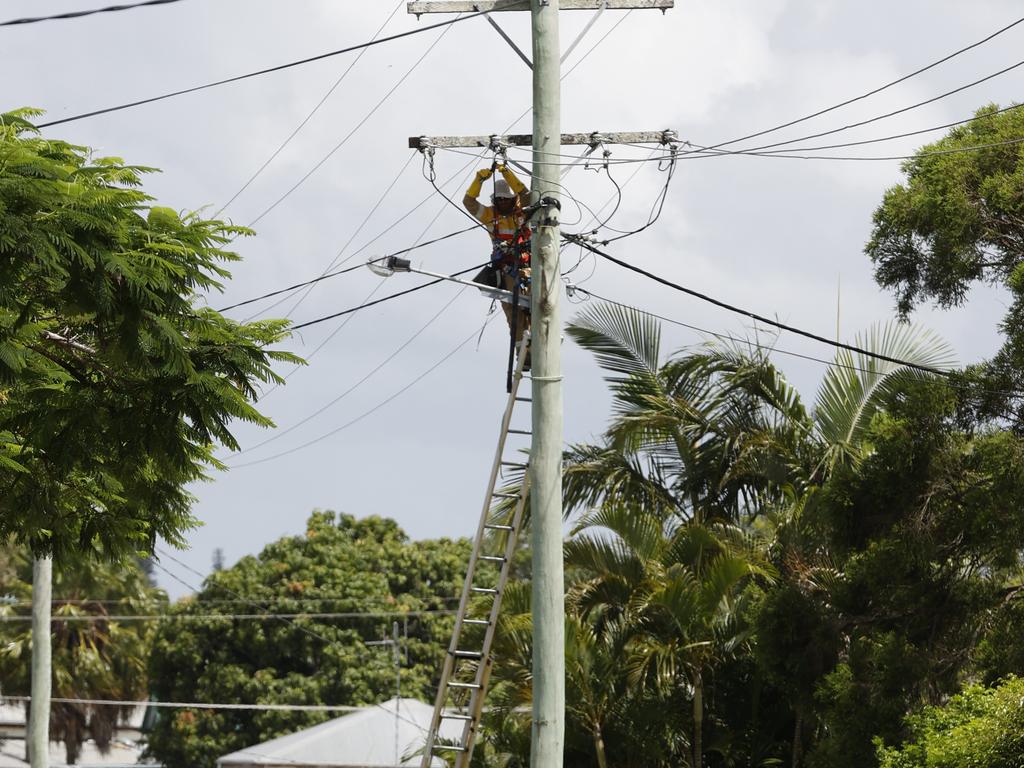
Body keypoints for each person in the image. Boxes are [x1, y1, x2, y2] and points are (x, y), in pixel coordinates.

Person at [464, 164, 532, 367]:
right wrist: (479, 180)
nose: (502, 202)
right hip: (507, 269)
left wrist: (507, 174)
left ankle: (536, 346)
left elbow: (527, 195)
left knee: (535, 306)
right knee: (513, 309)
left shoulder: (525, 211)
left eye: (506, 198)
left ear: (513, 199)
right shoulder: (490, 215)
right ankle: (524, 353)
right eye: (499, 199)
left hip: (529, 266)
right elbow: (469, 202)